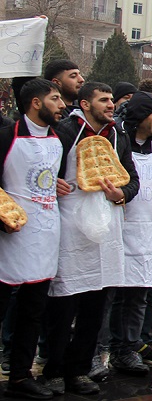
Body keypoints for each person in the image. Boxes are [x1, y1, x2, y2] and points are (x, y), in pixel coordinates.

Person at [45, 82, 140, 396]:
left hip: (108, 223)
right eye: (103, 100)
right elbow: (46, 171)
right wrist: (53, 184)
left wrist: (121, 194)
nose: (111, 104)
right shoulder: (63, 132)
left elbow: (132, 180)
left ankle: (79, 369)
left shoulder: (118, 136)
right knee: (64, 304)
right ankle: (53, 370)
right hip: (70, 223)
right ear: (85, 104)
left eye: (112, 99)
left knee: (96, 305)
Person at [0, 79, 64, 399]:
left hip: (46, 235)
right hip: (10, 238)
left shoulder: (57, 139)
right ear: (36, 103)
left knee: (32, 311)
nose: (62, 105)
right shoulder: (6, 136)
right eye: (55, 99)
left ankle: (20, 375)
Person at [109, 92, 152, 375]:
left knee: (139, 294)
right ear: (140, 116)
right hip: (120, 228)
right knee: (115, 295)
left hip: (146, 231)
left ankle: (129, 349)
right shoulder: (119, 144)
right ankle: (107, 348)